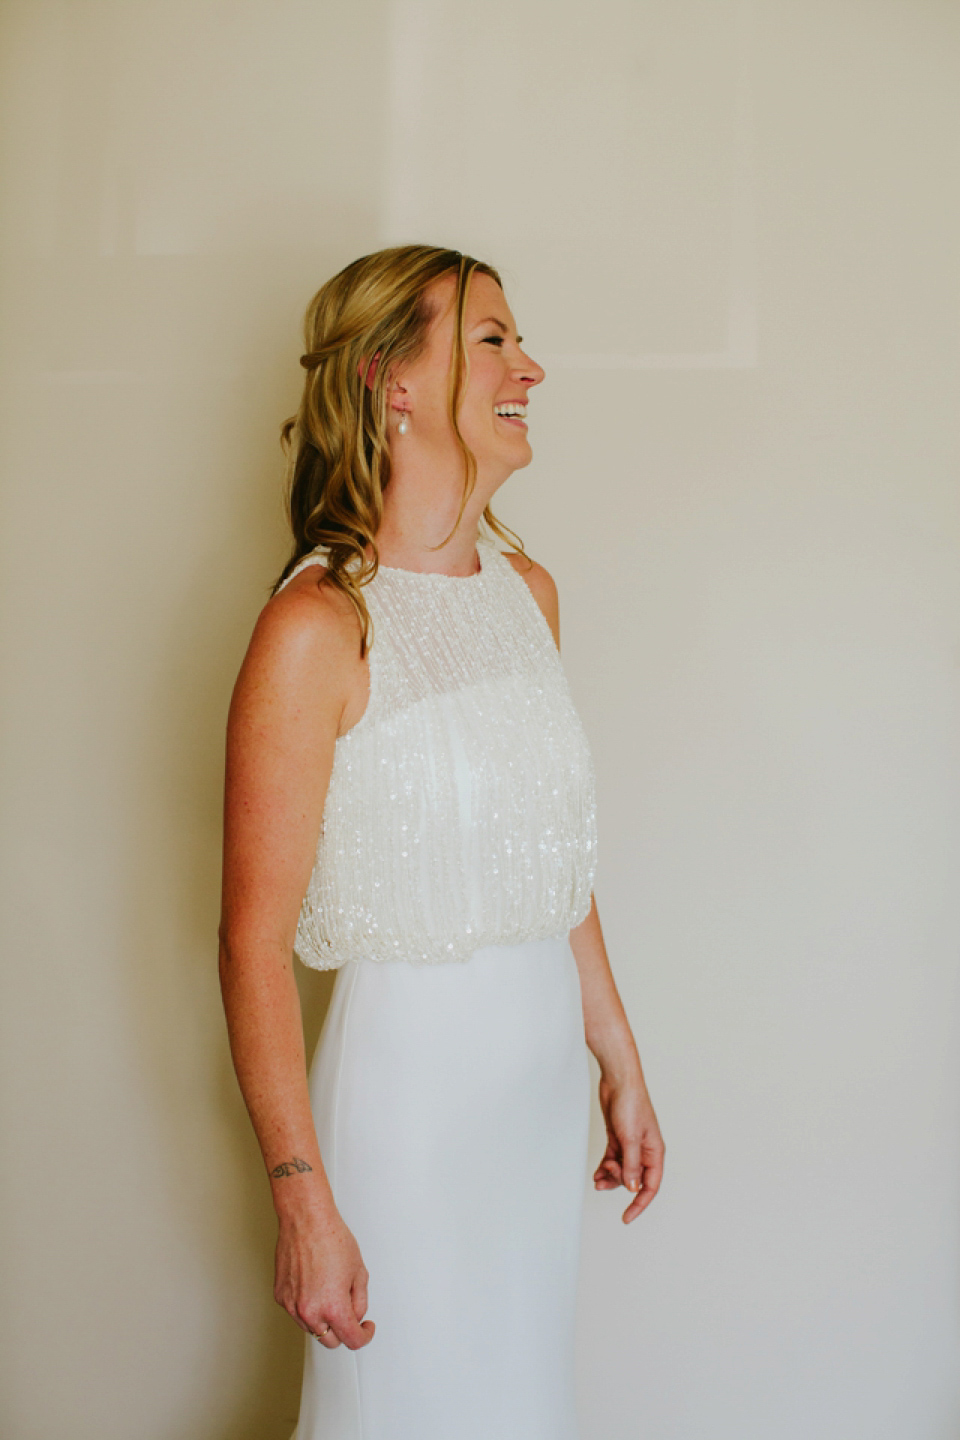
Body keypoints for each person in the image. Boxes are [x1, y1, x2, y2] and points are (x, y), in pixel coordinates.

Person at [218, 244, 665, 1440]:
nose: (530, 366)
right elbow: (252, 943)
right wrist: (304, 1204)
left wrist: (615, 1053)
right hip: (406, 1104)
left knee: (517, 1408)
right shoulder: (318, 625)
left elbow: (547, 857)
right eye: (492, 338)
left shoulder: (531, 595)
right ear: (392, 381)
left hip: (534, 1098)